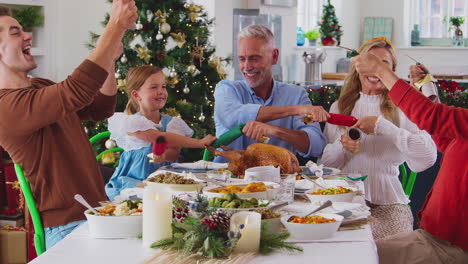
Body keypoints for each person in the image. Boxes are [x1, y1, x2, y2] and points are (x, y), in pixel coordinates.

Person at [0, 1, 137, 249]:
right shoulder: (4, 107)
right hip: (66, 228)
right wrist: (113, 27)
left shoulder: (39, 85)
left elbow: (99, 107)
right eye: (16, 33)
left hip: (96, 214)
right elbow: (74, 90)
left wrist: (110, 57)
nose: (28, 35)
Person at [352, 42, 468, 264]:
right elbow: (447, 139)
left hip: (451, 247)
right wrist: (426, 88)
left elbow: (431, 119)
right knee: (359, 252)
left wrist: (379, 70)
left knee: (361, 257)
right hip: (432, 238)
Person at [320, 37, 437, 240]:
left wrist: (384, 127)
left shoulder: (405, 108)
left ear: (392, 71)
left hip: (390, 204)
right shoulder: (339, 107)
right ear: (359, 66)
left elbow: (427, 158)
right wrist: (342, 144)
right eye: (371, 61)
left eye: (384, 64)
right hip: (344, 200)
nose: (376, 70)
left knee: (370, 242)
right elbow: (326, 167)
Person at [213, 24, 328, 163]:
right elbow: (232, 117)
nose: (247, 67)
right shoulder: (227, 89)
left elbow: (316, 145)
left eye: (254, 58)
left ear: (274, 56)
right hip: (228, 182)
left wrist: (275, 131)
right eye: (242, 59)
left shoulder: (295, 94)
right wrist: (294, 110)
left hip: (278, 182)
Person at [105, 65, 216, 200]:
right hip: (133, 182)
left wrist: (164, 156)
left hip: (163, 183)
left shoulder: (172, 123)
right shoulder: (132, 123)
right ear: (136, 95)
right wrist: (199, 143)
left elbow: (174, 153)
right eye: (153, 87)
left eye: (163, 86)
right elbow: (159, 137)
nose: (161, 91)